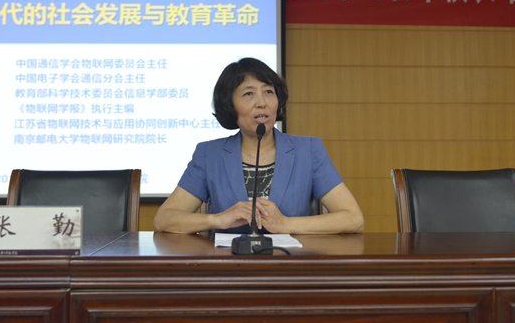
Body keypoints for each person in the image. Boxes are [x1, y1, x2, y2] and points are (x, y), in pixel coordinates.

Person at [154, 58, 364, 235]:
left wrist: (286, 224)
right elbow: (164, 219)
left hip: (289, 264)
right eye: (248, 94)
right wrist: (218, 219)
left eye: (269, 92)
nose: (262, 102)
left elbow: (353, 218)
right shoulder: (210, 154)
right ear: (230, 105)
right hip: (228, 266)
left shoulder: (308, 151)